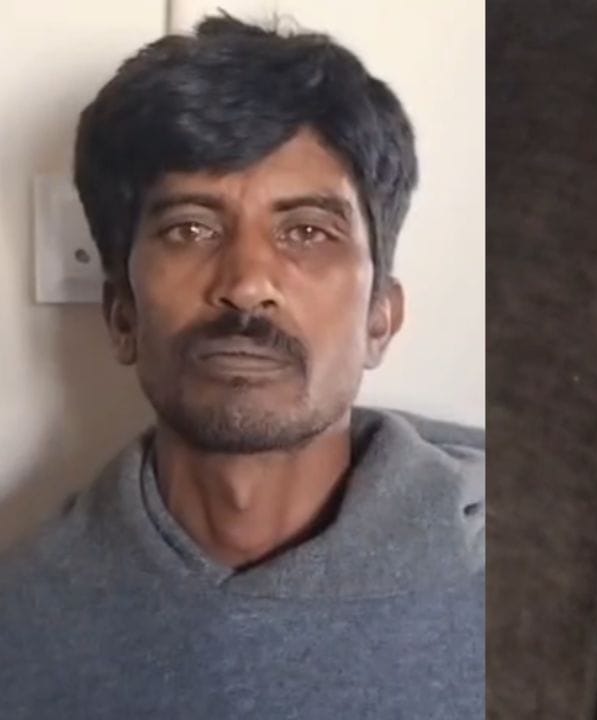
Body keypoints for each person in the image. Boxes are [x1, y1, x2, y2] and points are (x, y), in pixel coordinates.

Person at [0, 15, 483, 719]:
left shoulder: (543, 584)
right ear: (122, 316)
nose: (248, 283)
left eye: (307, 231)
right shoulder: (21, 629)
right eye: (190, 228)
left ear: (380, 318)